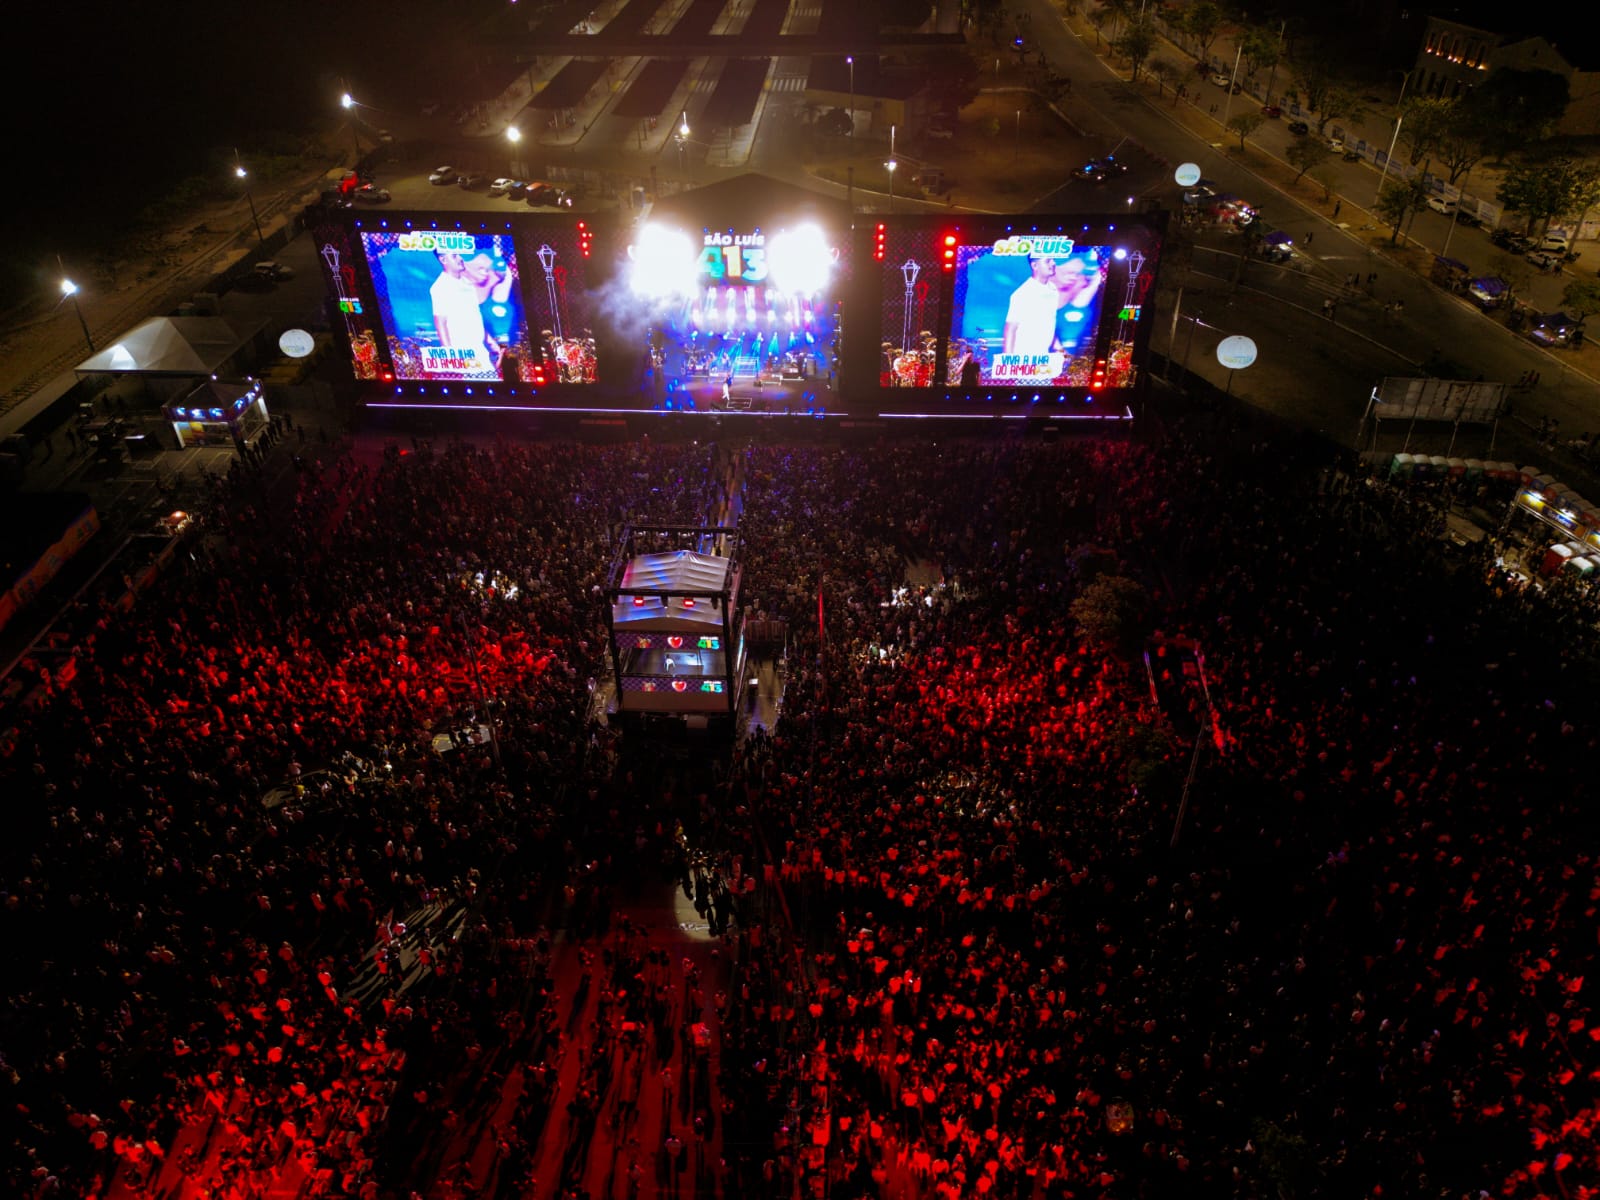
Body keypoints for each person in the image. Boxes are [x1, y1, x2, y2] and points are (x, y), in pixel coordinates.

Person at [1002, 253, 1062, 356]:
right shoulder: (1023, 294)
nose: (1053, 263)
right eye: (1048, 261)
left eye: (1053, 259)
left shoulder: (1053, 289)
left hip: (1043, 358)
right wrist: (1008, 363)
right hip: (1022, 359)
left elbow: (1048, 324)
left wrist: (1060, 349)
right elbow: (1010, 330)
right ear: (1035, 266)